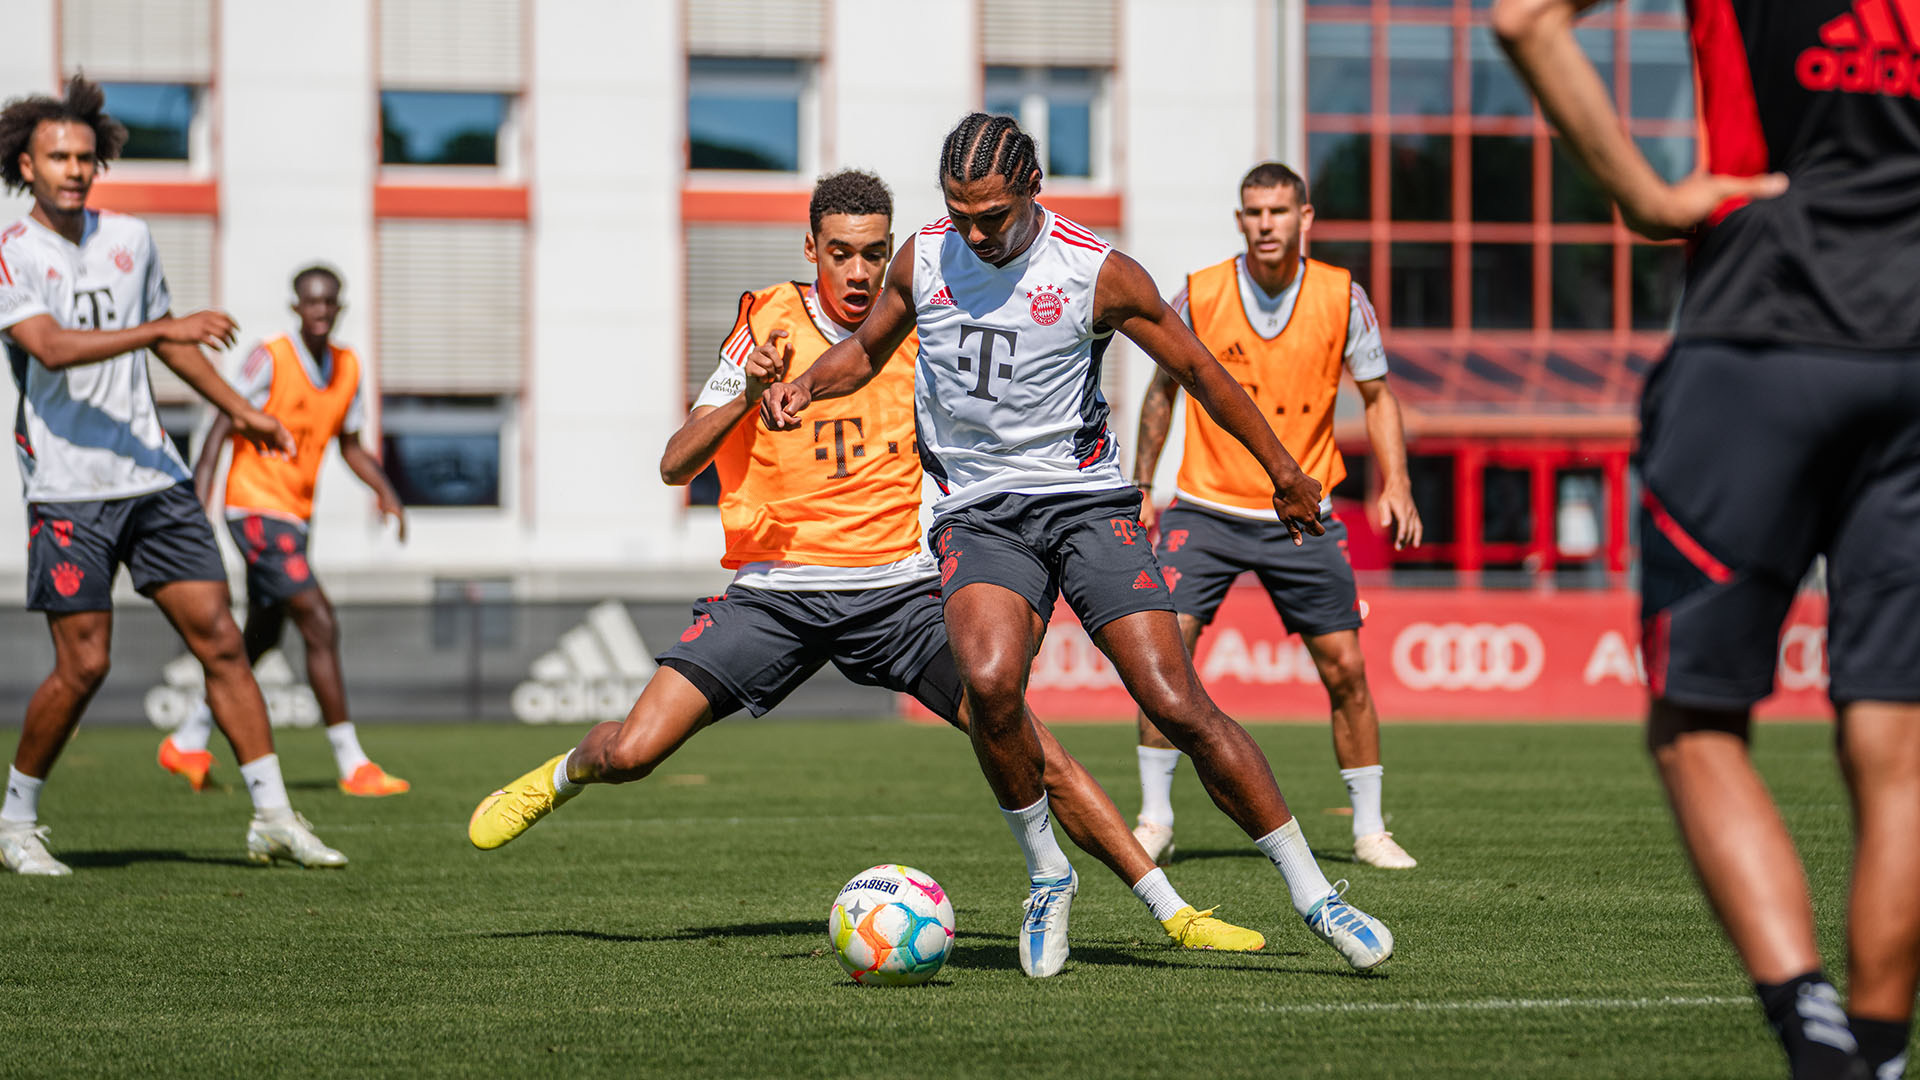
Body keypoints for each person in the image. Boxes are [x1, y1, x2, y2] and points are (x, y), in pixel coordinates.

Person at [468, 169, 1265, 968]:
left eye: (874, 255)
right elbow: (677, 464)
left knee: (1028, 740)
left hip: (899, 592)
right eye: (841, 253)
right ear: (811, 248)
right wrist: (746, 392)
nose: (857, 272)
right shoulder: (765, 323)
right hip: (775, 592)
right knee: (632, 754)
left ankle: (1173, 911)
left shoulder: (922, 326)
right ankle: (563, 774)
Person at [760, 116, 1394, 978]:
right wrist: (804, 385)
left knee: (1175, 701)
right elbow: (868, 352)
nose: (974, 233)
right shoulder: (923, 255)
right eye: (959, 212)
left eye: (991, 214)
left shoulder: (1097, 272)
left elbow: (1205, 373)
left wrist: (1285, 472)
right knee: (988, 683)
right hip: (979, 513)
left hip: (1087, 503)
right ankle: (1048, 873)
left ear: (1035, 189)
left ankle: (1316, 894)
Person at [1496, 1, 1920, 1077]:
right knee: (1900, 746)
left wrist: (1647, 197)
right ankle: (1875, 1055)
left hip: (1759, 333)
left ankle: (1815, 1031)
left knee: (1698, 719)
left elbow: (1526, 18)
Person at [0, 76, 344, 874]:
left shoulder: (131, 239)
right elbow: (50, 347)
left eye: (86, 157)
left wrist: (242, 408)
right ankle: (16, 820)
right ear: (27, 164)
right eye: (59, 157)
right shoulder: (13, 254)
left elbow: (173, 345)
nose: (76, 170)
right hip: (67, 486)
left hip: (156, 477)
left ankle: (272, 816)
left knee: (223, 641)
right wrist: (159, 326)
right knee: (85, 663)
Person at [1128, 162, 1420, 872]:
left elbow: (1378, 397)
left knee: (1346, 668)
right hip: (1205, 505)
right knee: (1165, 656)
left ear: (1304, 218)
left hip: (1305, 511)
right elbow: (1161, 388)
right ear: (1240, 221)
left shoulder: (1342, 297)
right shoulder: (1197, 294)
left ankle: (1371, 830)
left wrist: (1399, 483)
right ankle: (1156, 819)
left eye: (1279, 211)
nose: (1266, 224)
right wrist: (1142, 483)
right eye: (1254, 212)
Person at [157, 265, 411, 797]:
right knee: (319, 621)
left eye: (328, 303)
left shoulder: (348, 367)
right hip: (252, 508)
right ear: (296, 307)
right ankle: (353, 763)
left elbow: (351, 444)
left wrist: (386, 491)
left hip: (295, 516)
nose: (319, 311)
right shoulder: (269, 356)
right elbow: (226, 417)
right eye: (310, 303)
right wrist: (199, 495)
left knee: (264, 634)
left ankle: (187, 740)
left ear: (339, 307)